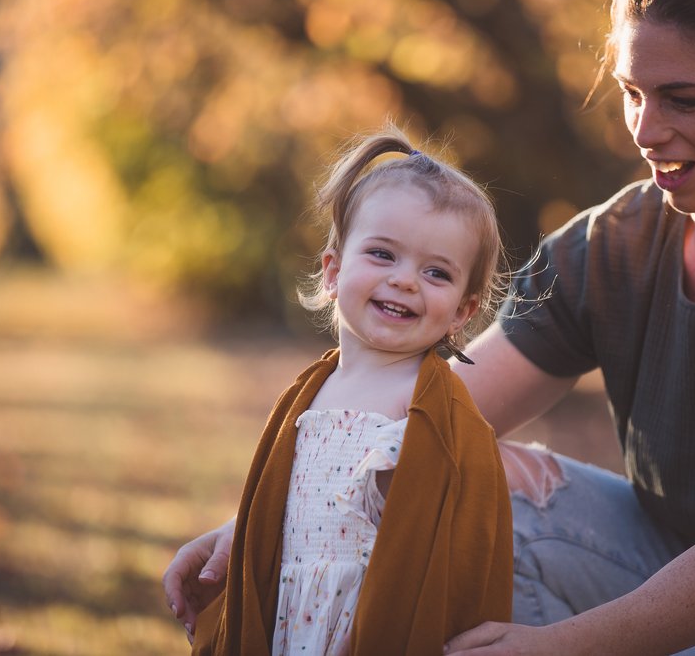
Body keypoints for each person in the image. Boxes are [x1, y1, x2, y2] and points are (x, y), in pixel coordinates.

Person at [165, 0, 695, 652]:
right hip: (673, 559)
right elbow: (422, 423)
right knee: (470, 502)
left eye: (683, 99)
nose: (645, 128)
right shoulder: (616, 242)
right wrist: (258, 528)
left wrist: (564, 647)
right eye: (633, 92)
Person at [179, 125, 513, 656]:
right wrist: (233, 543)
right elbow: (277, 513)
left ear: (462, 311)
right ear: (333, 270)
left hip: (368, 630)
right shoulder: (307, 393)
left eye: (436, 272)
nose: (405, 280)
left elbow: (449, 550)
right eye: (383, 254)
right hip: (291, 624)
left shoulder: (433, 414)